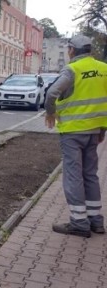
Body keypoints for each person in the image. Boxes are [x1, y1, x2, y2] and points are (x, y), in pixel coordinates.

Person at [44, 34, 107, 238]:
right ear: (90, 50)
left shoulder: (72, 69)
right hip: (94, 131)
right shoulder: (104, 69)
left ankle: (79, 222)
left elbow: (52, 92)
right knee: (90, 174)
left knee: (73, 176)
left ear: (71, 50)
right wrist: (103, 129)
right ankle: (96, 221)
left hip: (72, 132)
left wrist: (50, 112)